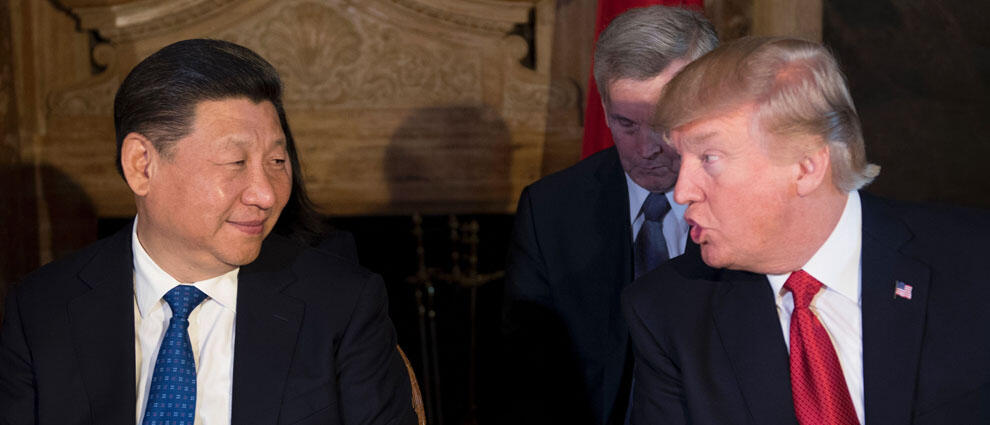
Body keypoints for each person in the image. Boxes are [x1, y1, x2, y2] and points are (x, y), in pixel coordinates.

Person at [0, 39, 416, 424]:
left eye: (276, 161)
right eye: (235, 162)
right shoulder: (41, 310)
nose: (265, 194)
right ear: (142, 165)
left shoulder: (341, 305)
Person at [622, 36, 990, 425]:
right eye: (682, 159)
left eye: (709, 158)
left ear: (806, 167)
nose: (681, 192)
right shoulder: (667, 312)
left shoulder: (975, 261)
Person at [501, 6, 717, 424]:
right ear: (602, 107)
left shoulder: (745, 200)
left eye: (663, 124)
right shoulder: (551, 210)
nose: (646, 148)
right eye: (626, 124)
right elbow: (527, 379)